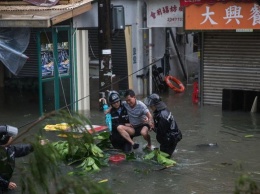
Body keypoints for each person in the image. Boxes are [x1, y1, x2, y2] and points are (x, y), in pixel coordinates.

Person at [0, 125, 46, 193]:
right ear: (3, 139)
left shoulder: (9, 148)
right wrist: (6, 184)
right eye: (10, 137)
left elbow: (21, 149)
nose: (12, 137)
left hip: (5, 180)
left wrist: (36, 145)